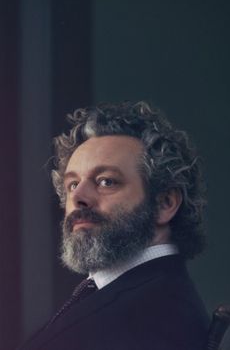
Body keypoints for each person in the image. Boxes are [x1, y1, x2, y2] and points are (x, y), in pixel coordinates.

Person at [20, 101, 209, 350]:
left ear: (165, 203)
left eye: (106, 181)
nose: (78, 197)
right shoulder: (131, 298)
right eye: (73, 184)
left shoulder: (155, 316)